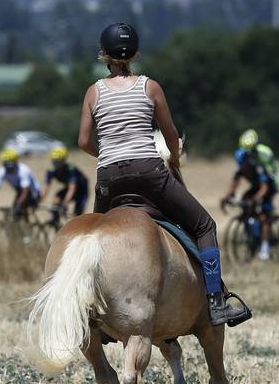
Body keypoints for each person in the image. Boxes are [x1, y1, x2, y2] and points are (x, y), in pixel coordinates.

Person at [77, 21, 250, 326]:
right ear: (136, 53)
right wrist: (175, 159)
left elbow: (83, 141)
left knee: (94, 241)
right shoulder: (149, 86)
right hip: (149, 172)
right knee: (204, 225)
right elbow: (169, 133)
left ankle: (91, 312)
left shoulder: (94, 92)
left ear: (103, 54)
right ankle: (216, 300)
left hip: (109, 179)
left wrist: (105, 155)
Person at [221, 129, 278, 260]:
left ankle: (265, 247)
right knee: (246, 204)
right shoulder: (241, 164)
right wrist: (227, 197)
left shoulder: (258, 166)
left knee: (263, 216)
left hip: (267, 187)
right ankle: (252, 236)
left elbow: (264, 188)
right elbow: (235, 183)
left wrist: (256, 199)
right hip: (256, 187)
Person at [0, 148, 42, 218]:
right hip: (20, 192)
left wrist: (18, 205)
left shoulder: (23, 170)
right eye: (6, 164)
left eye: (10, 164)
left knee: (19, 210)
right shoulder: (2, 171)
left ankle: (26, 224)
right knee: (16, 212)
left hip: (34, 193)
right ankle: (24, 223)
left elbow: (25, 191)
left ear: (16, 162)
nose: (8, 168)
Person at [44, 145, 90, 219]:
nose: (55, 164)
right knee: (56, 201)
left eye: (58, 162)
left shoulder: (71, 170)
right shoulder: (51, 171)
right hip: (69, 188)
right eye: (54, 161)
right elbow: (46, 186)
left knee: (76, 216)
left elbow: (72, 188)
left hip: (81, 191)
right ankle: (55, 222)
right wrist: (40, 199)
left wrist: (65, 203)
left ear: (63, 161)